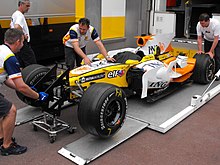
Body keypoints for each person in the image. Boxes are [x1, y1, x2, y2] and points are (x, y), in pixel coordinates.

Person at [0, 28, 48, 156]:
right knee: (11, 111)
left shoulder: (1, 50)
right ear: (17, 42)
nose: (22, 46)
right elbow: (21, 87)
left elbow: (5, 79)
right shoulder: (10, 57)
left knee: (2, 111)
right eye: (22, 42)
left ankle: (1, 138)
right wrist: (38, 96)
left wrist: (26, 88)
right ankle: (7, 146)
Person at [10, 0, 37, 68]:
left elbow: (11, 26)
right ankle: (31, 78)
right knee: (31, 63)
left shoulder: (14, 14)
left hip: (17, 43)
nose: (28, 8)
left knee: (20, 64)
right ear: (21, 5)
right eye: (27, 6)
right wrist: (23, 35)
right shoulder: (20, 15)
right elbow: (17, 26)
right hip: (23, 43)